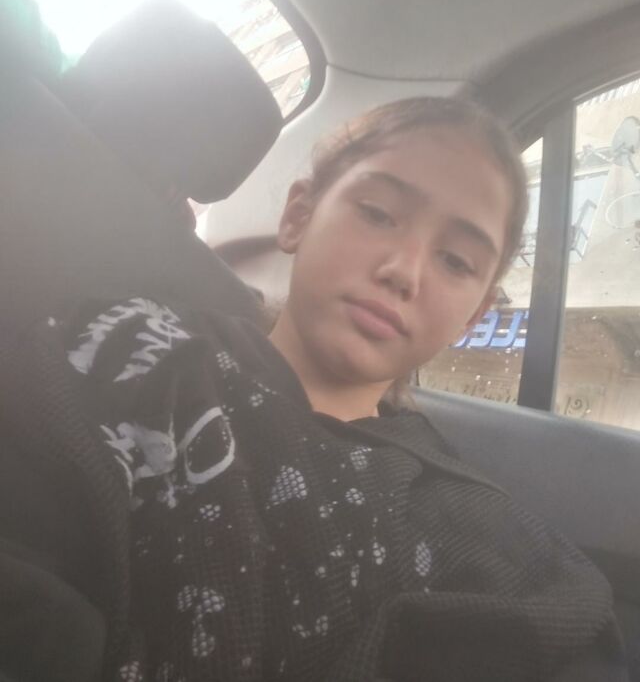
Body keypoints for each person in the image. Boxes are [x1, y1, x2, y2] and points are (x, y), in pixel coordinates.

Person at [14, 98, 629, 680]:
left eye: (456, 262)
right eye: (378, 214)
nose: (403, 271)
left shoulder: (480, 527)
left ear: (473, 316)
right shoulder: (135, 350)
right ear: (299, 216)